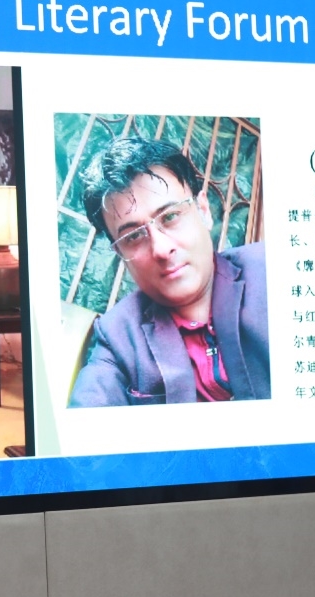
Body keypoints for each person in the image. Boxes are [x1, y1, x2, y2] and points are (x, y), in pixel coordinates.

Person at [68, 135, 270, 407]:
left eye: (171, 216)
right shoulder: (118, 335)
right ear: (120, 254)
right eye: (133, 236)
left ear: (203, 210)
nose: (161, 249)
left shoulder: (272, 271)